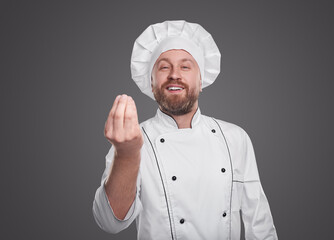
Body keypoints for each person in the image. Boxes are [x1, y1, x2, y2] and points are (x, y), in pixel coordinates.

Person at [93, 20, 278, 240]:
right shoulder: (133, 142)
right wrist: (126, 155)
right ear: (151, 83)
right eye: (163, 66)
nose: (174, 74)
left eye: (185, 66)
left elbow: (260, 223)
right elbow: (109, 223)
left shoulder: (235, 138)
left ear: (201, 81)